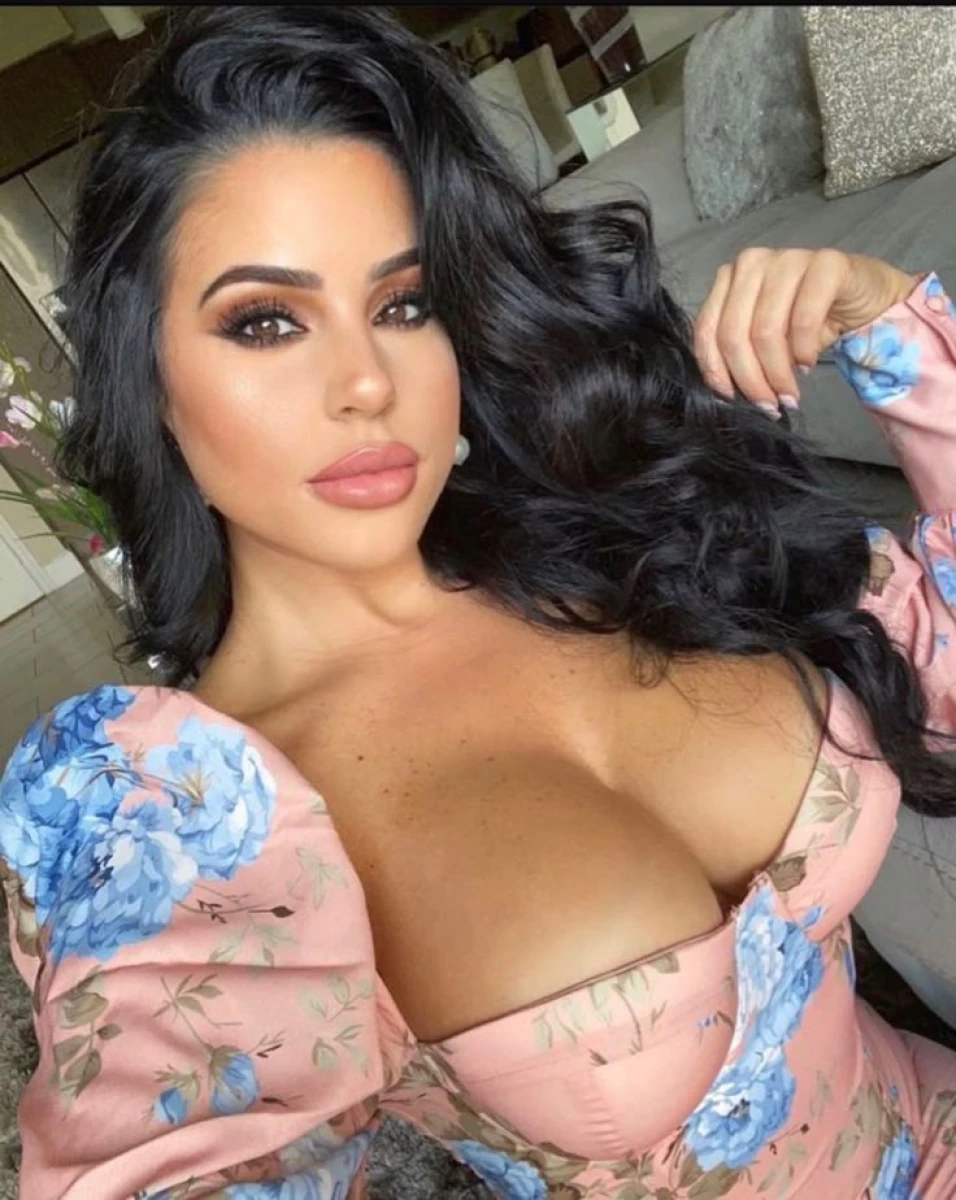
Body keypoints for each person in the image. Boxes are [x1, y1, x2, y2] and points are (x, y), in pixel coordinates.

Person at [0, 6, 953, 1198]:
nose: (365, 382)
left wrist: (896, 335)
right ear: (147, 382)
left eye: (404, 304)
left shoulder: (606, 530)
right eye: (265, 322)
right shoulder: (178, 817)